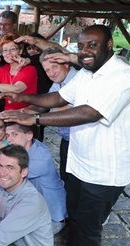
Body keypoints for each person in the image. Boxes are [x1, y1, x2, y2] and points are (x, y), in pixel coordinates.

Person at [0, 25, 130, 246]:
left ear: (109, 45)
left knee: (87, 230)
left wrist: (36, 120)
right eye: (81, 46)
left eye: (92, 45)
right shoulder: (86, 73)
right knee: (73, 218)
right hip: (80, 165)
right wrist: (21, 96)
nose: (85, 51)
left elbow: (89, 112)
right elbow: (58, 97)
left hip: (105, 173)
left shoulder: (123, 76)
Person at [22, 46, 78, 185]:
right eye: (47, 70)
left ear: (66, 63)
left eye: (54, 67)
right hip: (67, 139)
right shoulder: (57, 82)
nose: (51, 73)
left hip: (80, 141)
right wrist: (23, 112)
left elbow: (71, 109)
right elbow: (46, 103)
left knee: (77, 183)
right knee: (66, 178)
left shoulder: (77, 79)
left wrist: (33, 117)